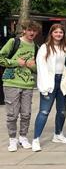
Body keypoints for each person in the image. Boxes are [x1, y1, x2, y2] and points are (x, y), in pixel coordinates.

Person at [0, 20, 41, 152]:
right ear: (24, 30)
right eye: (29, 30)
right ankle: (12, 139)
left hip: (28, 84)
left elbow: (38, 68)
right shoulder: (13, 42)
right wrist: (16, 62)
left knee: (26, 113)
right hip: (11, 82)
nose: (32, 33)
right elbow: (1, 58)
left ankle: (23, 137)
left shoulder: (36, 47)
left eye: (34, 31)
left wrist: (32, 66)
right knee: (12, 114)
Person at [33, 24, 66, 152]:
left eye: (61, 32)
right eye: (56, 32)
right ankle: (36, 139)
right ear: (51, 33)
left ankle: (58, 134)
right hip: (50, 81)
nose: (59, 34)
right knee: (44, 111)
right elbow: (41, 67)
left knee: (62, 111)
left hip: (63, 81)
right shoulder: (44, 48)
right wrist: (43, 86)